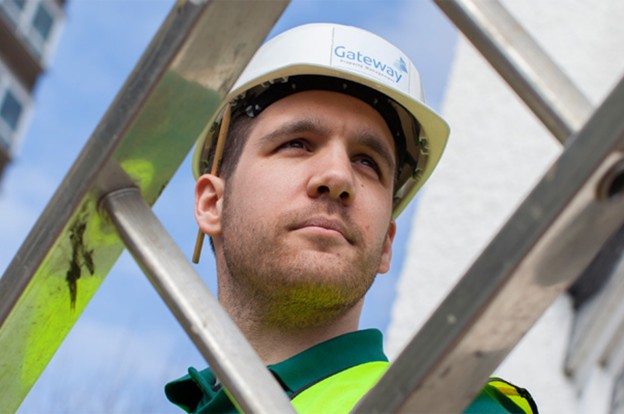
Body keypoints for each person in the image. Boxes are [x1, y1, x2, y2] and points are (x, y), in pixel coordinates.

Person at [165, 23, 538, 413]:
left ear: (385, 244)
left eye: (366, 162)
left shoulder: (443, 404)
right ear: (211, 203)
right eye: (297, 143)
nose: (338, 177)